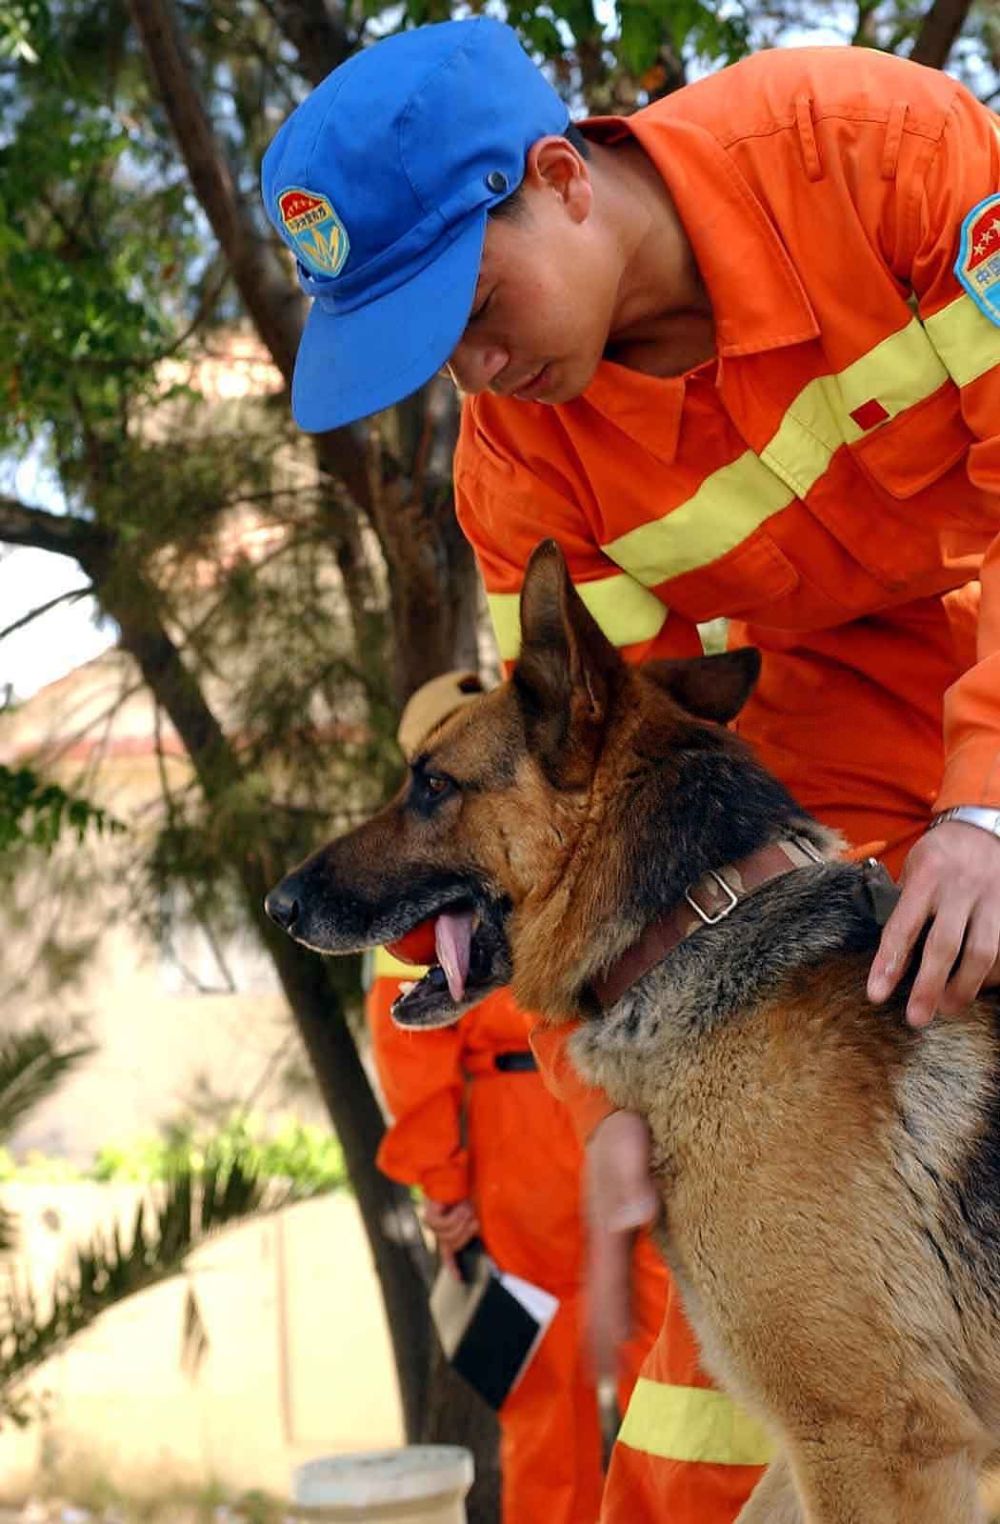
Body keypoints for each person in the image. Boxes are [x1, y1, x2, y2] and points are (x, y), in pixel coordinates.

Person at [262, 20, 1000, 1520]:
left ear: (560, 177)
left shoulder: (877, 151)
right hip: (832, 741)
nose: (479, 371)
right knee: (741, 1329)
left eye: (469, 306)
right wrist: (619, 1125)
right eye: (430, 355)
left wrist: (986, 801)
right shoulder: (521, 472)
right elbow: (591, 818)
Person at [365, 670, 666, 1524]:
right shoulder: (572, 828)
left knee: (556, 1395)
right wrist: (445, 1188)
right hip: (624, 1106)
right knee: (665, 1366)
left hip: (538, 1133)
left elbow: (411, 1058)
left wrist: (446, 1189)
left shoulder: (415, 893)